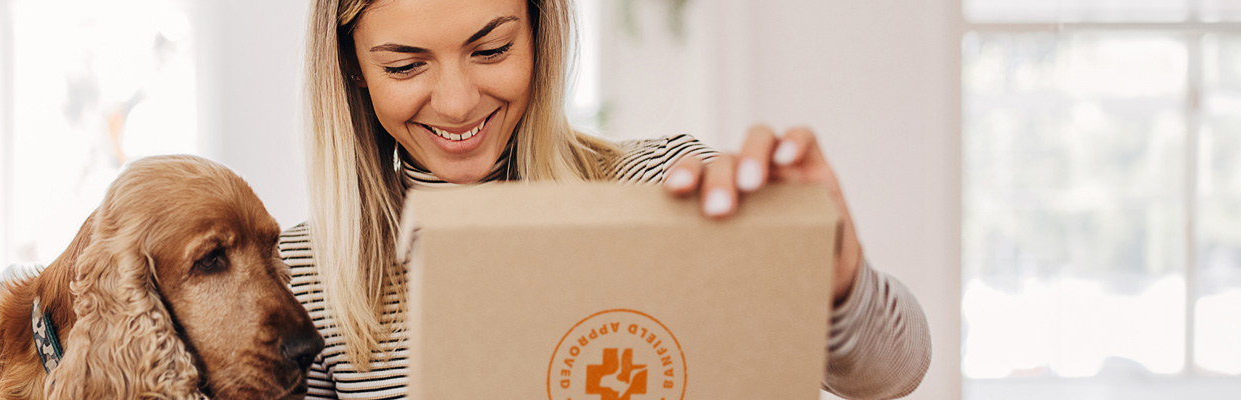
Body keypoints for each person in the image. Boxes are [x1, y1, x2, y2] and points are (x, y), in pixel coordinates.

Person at [281, 0, 931, 398]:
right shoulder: (303, 273)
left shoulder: (663, 189)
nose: (456, 102)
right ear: (353, 72)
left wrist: (833, 276)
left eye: (492, 48)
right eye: (404, 66)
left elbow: (889, 374)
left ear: (540, 34)